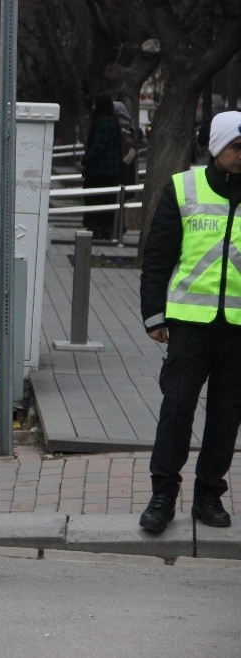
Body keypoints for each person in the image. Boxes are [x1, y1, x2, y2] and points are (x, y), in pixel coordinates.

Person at [137, 110, 241, 535]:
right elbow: (157, 257)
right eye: (237, 147)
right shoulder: (184, 188)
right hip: (189, 325)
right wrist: (153, 316)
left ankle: (208, 496)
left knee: (226, 415)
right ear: (217, 147)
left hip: (237, 328)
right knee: (176, 409)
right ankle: (163, 496)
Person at [80, 93, 122, 240]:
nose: (92, 107)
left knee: (93, 199)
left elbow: (97, 148)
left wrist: (85, 162)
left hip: (98, 171)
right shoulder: (114, 122)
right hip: (112, 171)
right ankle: (106, 230)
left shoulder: (102, 123)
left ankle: (95, 228)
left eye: (94, 104)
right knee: (107, 201)